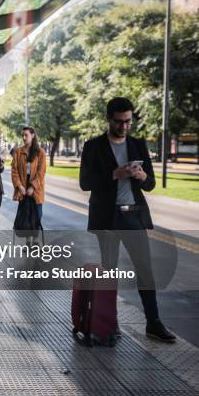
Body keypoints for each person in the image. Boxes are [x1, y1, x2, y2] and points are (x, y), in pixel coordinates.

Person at [79, 97, 176, 343]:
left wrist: (142, 175)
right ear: (108, 119)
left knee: (145, 271)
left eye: (128, 122)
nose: (124, 127)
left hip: (134, 216)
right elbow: (85, 182)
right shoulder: (93, 146)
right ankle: (109, 323)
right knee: (109, 273)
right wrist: (113, 174)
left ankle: (153, 324)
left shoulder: (138, 145)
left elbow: (151, 184)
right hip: (107, 218)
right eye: (119, 122)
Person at [11, 126, 46, 220]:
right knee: (24, 219)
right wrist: (20, 186)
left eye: (26, 135)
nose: (24, 137)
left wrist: (33, 187)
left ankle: (34, 235)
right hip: (23, 189)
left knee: (36, 217)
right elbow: (14, 171)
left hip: (36, 188)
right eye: (22, 135)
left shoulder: (40, 152)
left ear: (33, 135)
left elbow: (41, 172)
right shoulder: (18, 152)